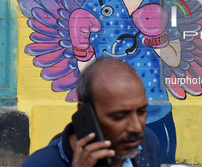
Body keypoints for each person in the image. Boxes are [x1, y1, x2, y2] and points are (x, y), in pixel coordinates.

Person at [69, 0, 180, 162]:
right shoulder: (94, 4)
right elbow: (86, 73)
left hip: (156, 112)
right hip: (107, 114)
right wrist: (82, 49)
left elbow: (175, 58)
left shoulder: (162, 0)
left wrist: (157, 37)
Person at [22, 58, 161, 167]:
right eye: (119, 117)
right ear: (85, 113)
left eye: (142, 111)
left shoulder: (147, 142)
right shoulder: (40, 164)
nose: (136, 128)